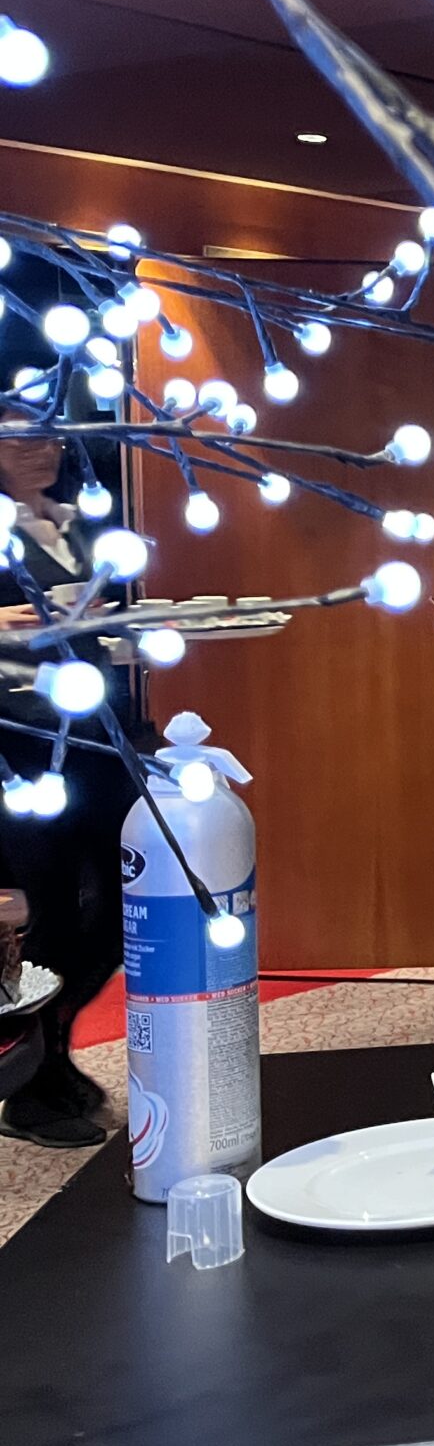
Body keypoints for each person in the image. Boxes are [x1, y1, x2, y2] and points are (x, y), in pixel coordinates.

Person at [0, 426, 133, 1147]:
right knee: (51, 908)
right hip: (21, 748)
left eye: (49, 437)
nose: (39, 449)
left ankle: (43, 1051)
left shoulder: (80, 522)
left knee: (122, 906)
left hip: (95, 739)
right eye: (18, 437)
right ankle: (36, 1085)